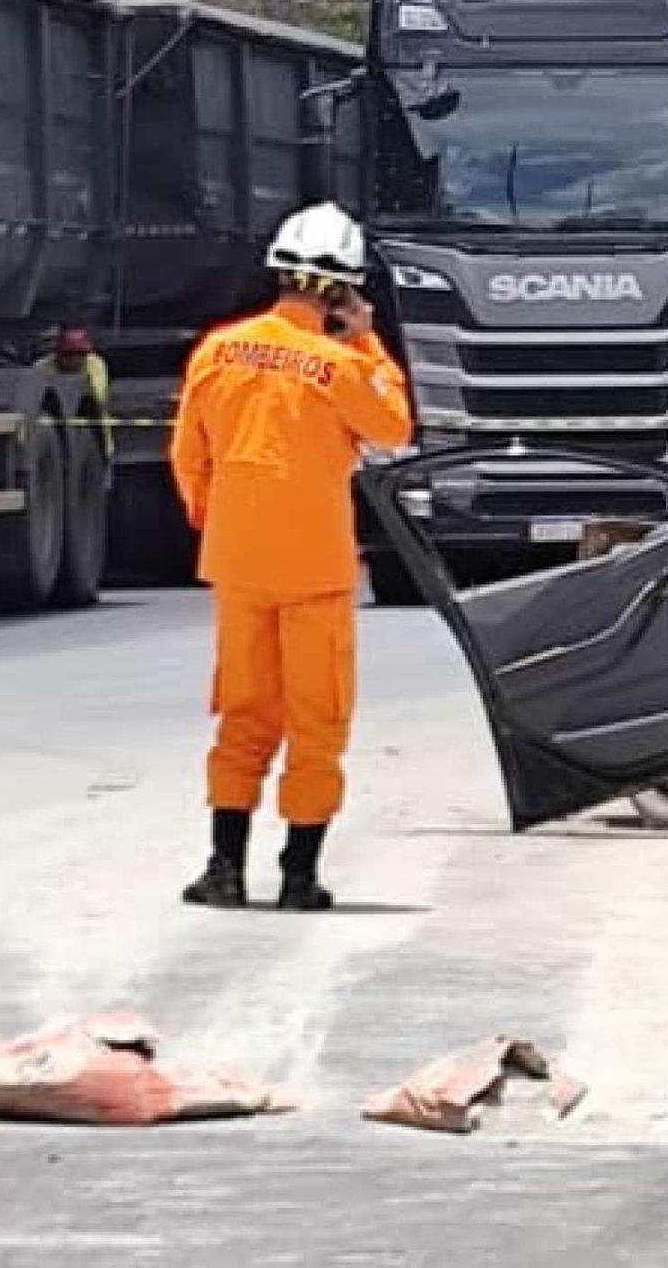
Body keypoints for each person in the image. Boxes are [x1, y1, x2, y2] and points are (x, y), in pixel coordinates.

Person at [171, 203, 413, 912]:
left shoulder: (217, 350)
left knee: (243, 715)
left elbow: (189, 457)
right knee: (317, 720)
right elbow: (393, 428)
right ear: (340, 290)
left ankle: (223, 868)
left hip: (239, 565)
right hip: (315, 569)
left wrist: (220, 527)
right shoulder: (339, 364)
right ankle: (299, 876)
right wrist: (368, 343)